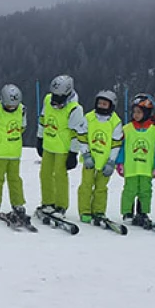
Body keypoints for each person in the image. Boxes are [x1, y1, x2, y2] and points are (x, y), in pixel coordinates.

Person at [35, 75, 88, 222]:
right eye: (54, 95)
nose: (55, 100)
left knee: (59, 176)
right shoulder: (47, 100)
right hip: (48, 145)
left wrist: (73, 153)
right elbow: (42, 120)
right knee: (45, 174)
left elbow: (76, 133)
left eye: (59, 97)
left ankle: (60, 205)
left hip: (63, 148)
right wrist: (39, 138)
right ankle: (47, 202)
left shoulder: (74, 109)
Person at [117, 94, 155, 227]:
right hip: (131, 167)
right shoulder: (127, 129)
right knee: (129, 190)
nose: (136, 115)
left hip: (146, 168)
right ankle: (127, 212)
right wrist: (120, 163)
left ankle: (143, 212)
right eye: (134, 112)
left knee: (145, 191)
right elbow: (121, 147)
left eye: (139, 112)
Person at [77, 90, 122, 224]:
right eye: (100, 103)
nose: (102, 106)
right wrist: (86, 154)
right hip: (90, 158)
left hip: (105, 160)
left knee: (101, 187)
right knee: (86, 185)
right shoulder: (89, 117)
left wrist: (111, 162)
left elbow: (116, 144)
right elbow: (82, 136)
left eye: (105, 104)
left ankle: (98, 210)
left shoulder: (115, 121)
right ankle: (84, 210)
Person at [0, 84, 28, 218]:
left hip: (14, 151)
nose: (12, 108)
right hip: (0, 152)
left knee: (15, 179)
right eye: (9, 106)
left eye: (14, 105)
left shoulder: (22, 109)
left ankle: (18, 203)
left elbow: (23, 126)